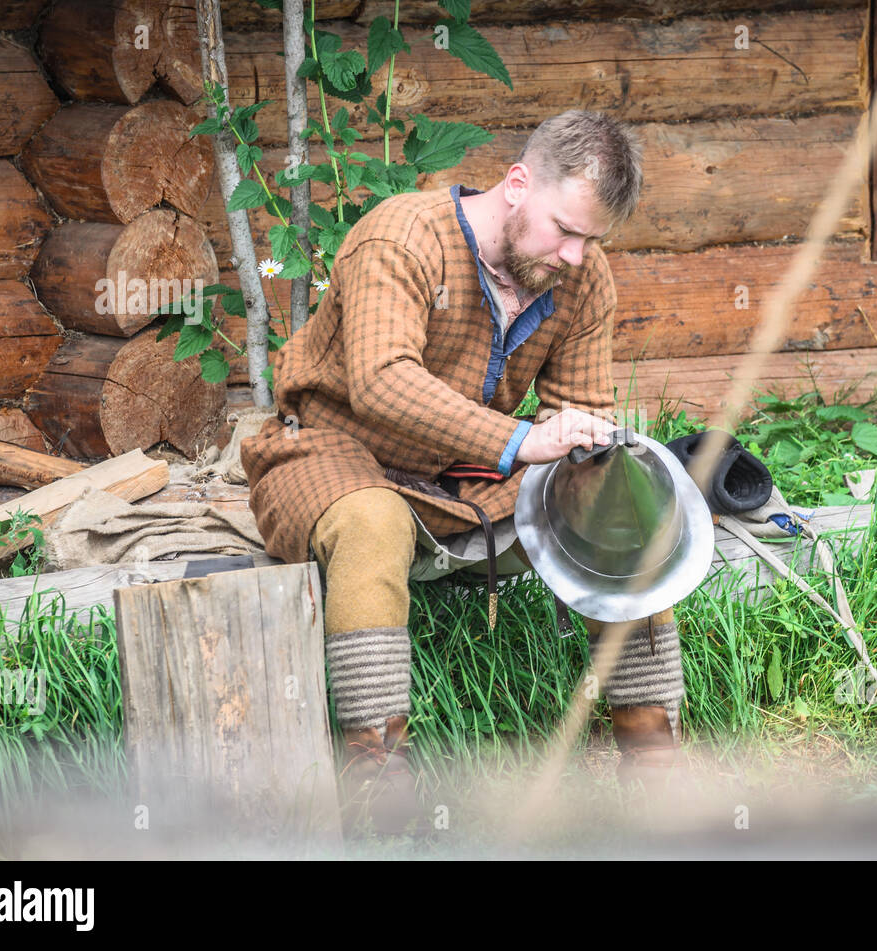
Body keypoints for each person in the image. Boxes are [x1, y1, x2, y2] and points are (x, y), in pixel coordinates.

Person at [240, 110, 688, 834]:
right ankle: (378, 787)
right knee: (372, 519)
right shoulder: (403, 236)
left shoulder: (581, 278)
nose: (576, 255)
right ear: (517, 184)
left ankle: (656, 764)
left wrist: (583, 446)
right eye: (565, 230)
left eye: (593, 239)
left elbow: (580, 408)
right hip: (330, 449)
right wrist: (519, 439)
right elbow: (383, 380)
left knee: (617, 501)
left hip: (467, 472)